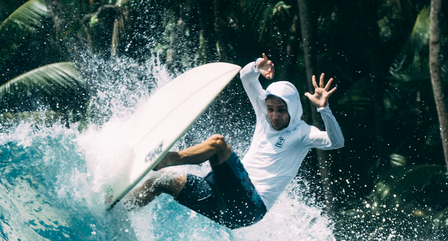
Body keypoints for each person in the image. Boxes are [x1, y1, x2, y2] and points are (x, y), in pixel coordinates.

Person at [129, 55, 344, 228]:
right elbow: (246, 77)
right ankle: (121, 207)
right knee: (162, 182)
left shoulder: (303, 134)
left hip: (251, 206)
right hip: (222, 200)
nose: (274, 116)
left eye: (281, 110)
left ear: (292, 109)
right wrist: (257, 67)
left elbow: (336, 142)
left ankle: (163, 159)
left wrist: (324, 109)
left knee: (217, 144)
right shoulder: (264, 117)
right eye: (271, 109)